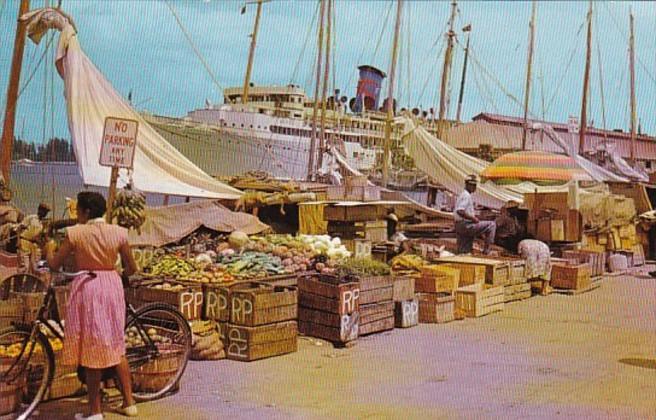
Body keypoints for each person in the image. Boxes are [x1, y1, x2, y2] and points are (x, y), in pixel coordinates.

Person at [43, 191, 138, 419]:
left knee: (93, 349)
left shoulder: (76, 233)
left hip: (89, 287)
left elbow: (55, 264)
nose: (77, 216)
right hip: (111, 286)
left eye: (78, 211)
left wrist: (48, 249)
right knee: (116, 344)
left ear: (85, 211)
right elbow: (132, 268)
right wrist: (114, 273)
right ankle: (129, 403)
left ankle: (95, 412)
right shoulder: (119, 233)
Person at [454, 175, 496, 255]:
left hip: (459, 225)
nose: (475, 187)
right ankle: (487, 251)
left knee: (464, 251)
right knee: (492, 225)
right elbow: (460, 211)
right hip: (465, 225)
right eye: (473, 185)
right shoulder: (466, 195)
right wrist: (473, 219)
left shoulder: (462, 195)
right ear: (468, 185)